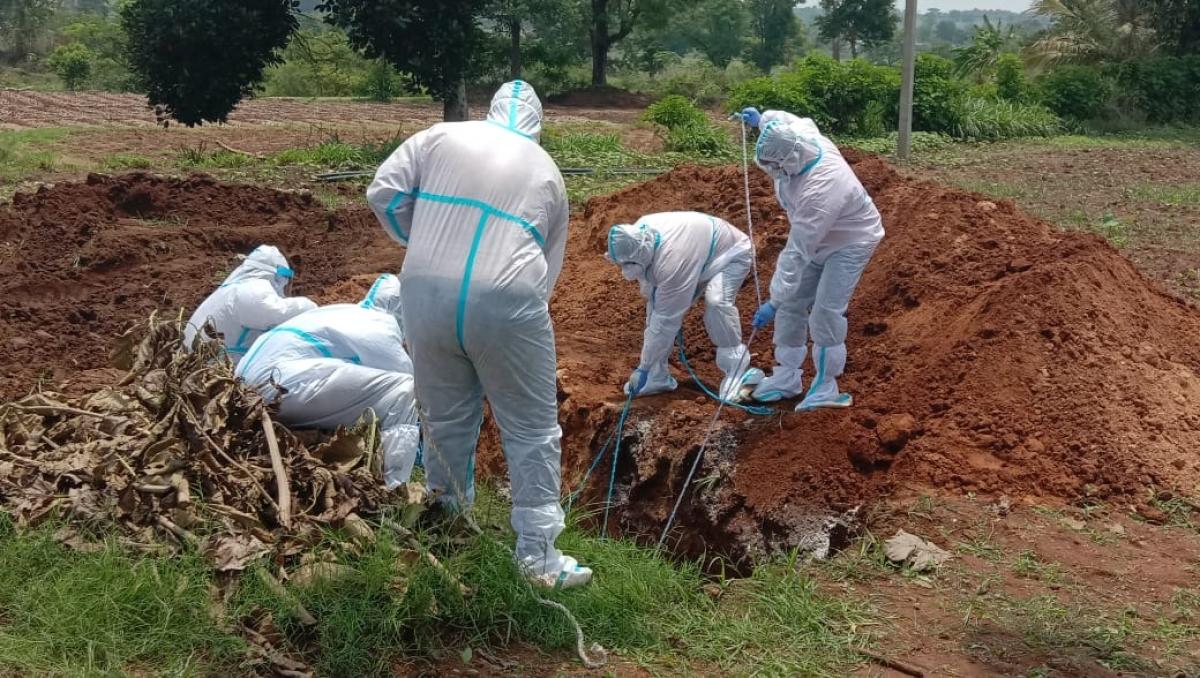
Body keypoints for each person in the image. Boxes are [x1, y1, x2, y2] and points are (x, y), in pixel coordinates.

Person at [366, 80, 589, 589]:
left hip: (423, 294)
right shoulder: (547, 170)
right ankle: (537, 559)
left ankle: (448, 530)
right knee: (531, 429)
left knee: (443, 420)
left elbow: (383, 192)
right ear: (536, 122)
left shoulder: (440, 136)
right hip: (505, 299)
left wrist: (420, 239)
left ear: (490, 111)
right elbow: (546, 269)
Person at [737, 107, 884, 410]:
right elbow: (784, 120)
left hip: (850, 240)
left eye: (775, 166)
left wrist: (773, 300)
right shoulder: (800, 134)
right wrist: (760, 119)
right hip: (817, 237)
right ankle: (787, 377)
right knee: (792, 305)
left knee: (825, 312)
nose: (772, 172)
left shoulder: (823, 187)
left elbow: (797, 249)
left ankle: (826, 385)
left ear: (790, 159)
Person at [235, 274, 420, 487]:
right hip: (279, 384)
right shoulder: (383, 326)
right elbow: (410, 378)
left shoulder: (345, 312)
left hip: (245, 383)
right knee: (405, 390)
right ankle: (394, 486)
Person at [607, 212, 758, 401]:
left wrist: (643, 367)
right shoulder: (638, 233)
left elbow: (665, 320)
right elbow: (653, 294)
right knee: (655, 308)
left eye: (629, 263)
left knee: (716, 301)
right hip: (695, 253)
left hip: (730, 254)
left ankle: (737, 369)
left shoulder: (672, 262)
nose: (624, 270)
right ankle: (657, 376)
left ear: (641, 252)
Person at [184, 245, 317, 367]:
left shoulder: (230, 290)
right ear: (279, 277)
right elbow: (275, 312)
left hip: (199, 366)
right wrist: (313, 308)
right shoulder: (251, 288)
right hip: (215, 371)